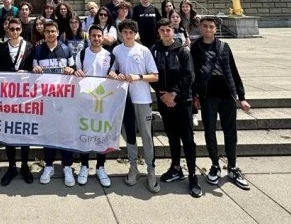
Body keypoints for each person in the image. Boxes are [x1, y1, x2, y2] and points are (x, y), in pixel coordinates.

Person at [191, 16, 251, 190]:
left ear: (215, 29)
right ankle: (215, 165)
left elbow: (233, 70)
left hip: (227, 95)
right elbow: (193, 73)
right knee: (210, 132)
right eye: (205, 26)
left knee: (230, 132)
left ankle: (232, 166)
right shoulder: (195, 48)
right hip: (208, 96)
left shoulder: (224, 46)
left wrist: (241, 97)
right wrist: (194, 95)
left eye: (211, 26)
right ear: (200, 28)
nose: (208, 29)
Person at [151, 19, 201, 198]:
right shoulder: (154, 50)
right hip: (164, 101)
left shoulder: (182, 51)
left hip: (182, 101)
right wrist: (163, 95)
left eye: (168, 30)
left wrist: (173, 94)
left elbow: (189, 75)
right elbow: (152, 74)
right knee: (172, 136)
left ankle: (193, 175)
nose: (165, 33)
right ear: (158, 32)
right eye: (162, 30)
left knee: (187, 138)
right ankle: (176, 168)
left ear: (173, 31)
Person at [109, 19, 160, 193]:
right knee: (129, 134)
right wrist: (113, 74)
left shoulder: (144, 50)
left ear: (135, 34)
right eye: (125, 32)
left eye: (131, 32)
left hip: (142, 98)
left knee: (146, 135)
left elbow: (154, 76)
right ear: (121, 33)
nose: (128, 35)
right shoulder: (116, 50)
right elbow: (112, 69)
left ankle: (151, 170)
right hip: (125, 99)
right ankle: (133, 167)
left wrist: (138, 77)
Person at [0, 17, 35, 185]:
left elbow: (34, 68)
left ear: (21, 30)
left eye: (17, 29)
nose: (15, 31)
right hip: (7, 97)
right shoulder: (2, 47)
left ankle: (24, 165)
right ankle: (12, 166)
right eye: (12, 29)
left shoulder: (29, 47)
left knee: (24, 132)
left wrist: (29, 71)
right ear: (7, 30)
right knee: (9, 132)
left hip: (24, 97)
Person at [32, 21, 76, 186]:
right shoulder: (38, 50)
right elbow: (33, 75)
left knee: (66, 133)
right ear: (43, 34)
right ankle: (49, 165)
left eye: (53, 31)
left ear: (58, 33)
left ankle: (67, 166)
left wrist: (72, 70)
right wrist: (34, 71)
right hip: (46, 100)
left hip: (64, 99)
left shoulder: (66, 49)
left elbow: (74, 69)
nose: (50, 34)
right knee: (49, 133)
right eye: (47, 31)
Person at [70, 24, 114, 187]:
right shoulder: (82, 54)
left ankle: (100, 167)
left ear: (103, 37)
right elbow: (76, 74)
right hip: (85, 101)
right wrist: (77, 73)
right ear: (89, 37)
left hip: (103, 102)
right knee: (85, 133)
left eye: (99, 36)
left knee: (102, 134)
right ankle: (84, 166)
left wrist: (113, 74)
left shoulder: (109, 55)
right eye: (93, 35)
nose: (96, 38)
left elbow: (113, 74)